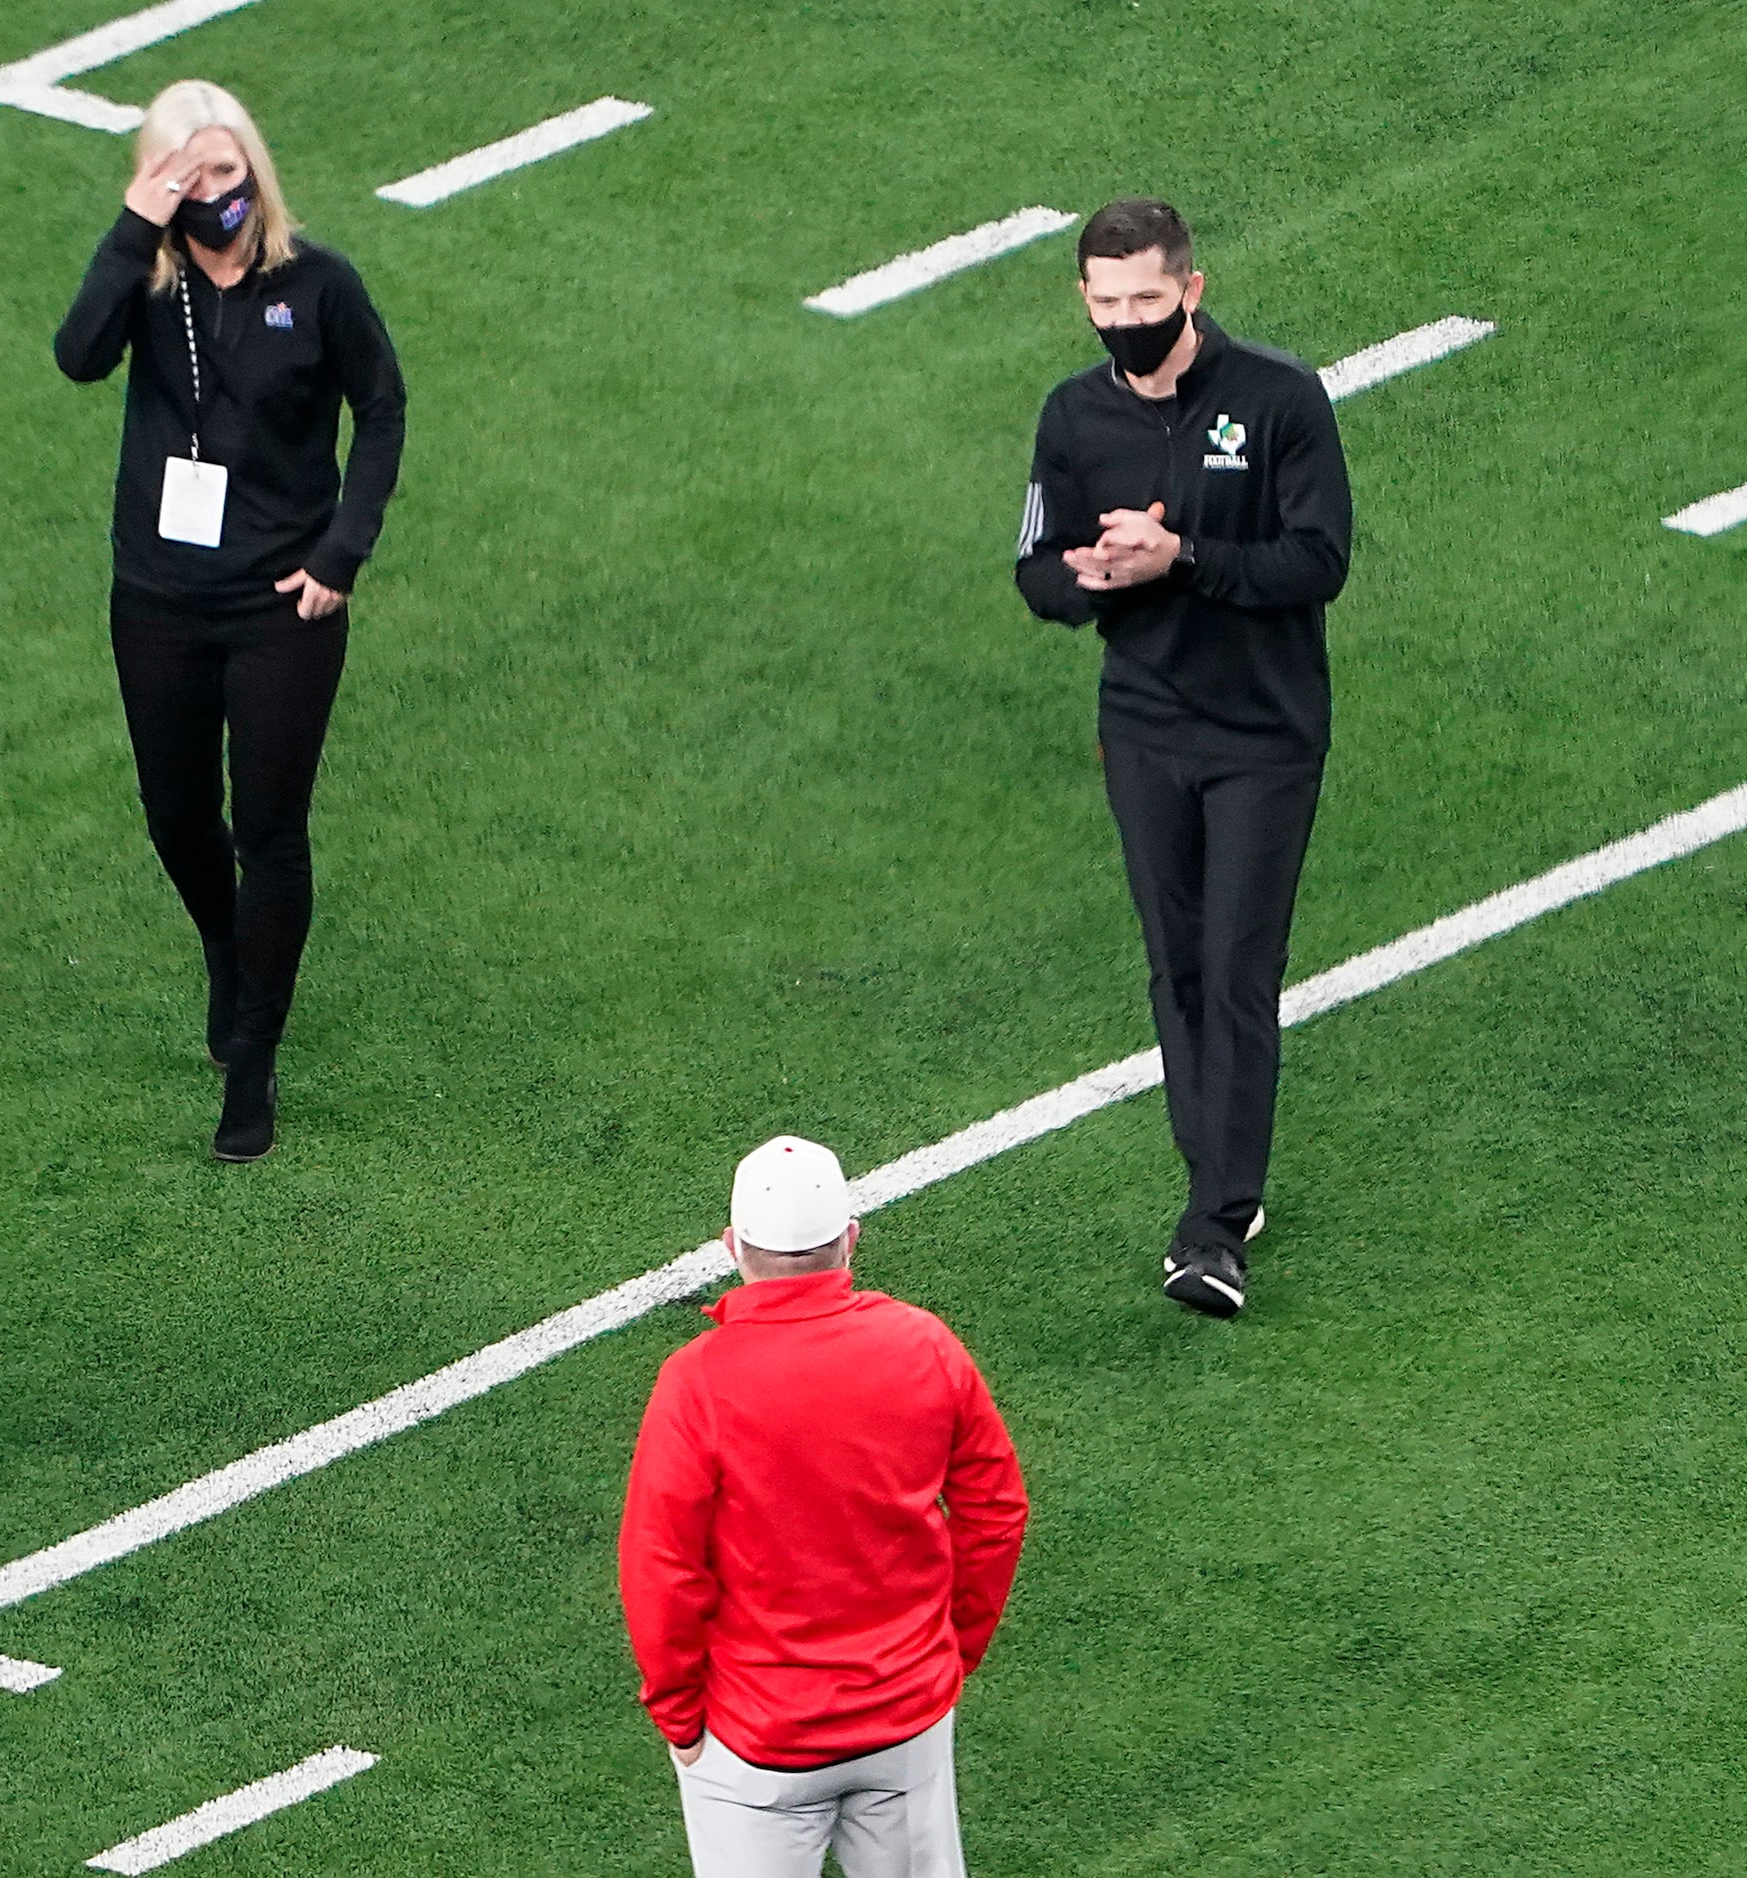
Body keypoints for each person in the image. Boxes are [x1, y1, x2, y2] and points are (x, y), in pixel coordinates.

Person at [54, 78, 408, 1162]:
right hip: (159, 595)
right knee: (174, 813)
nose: (218, 192)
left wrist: (342, 553)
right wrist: (133, 225)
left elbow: (383, 407)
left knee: (270, 830)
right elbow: (78, 354)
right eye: (189, 175)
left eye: (227, 167)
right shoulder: (149, 287)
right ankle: (225, 943)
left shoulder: (319, 282)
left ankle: (251, 1065)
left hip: (281, 605)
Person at [1013, 198, 1353, 1320]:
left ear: (1192, 292)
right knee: (1179, 968)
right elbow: (1035, 569)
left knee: (1239, 967)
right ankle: (1221, 1180)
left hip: (1263, 735)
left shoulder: (1278, 399)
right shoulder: (1073, 418)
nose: (1126, 323)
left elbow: (1317, 560)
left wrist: (1184, 556)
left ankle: (1212, 1228)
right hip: (1146, 727)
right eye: (1106, 305)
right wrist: (1093, 584)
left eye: (1147, 302)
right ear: (1084, 302)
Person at [620, 1136, 1029, 1877]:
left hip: (757, 1739)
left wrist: (678, 1714)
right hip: (904, 1716)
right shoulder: (924, 1345)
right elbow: (994, 1510)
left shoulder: (695, 1384)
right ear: (849, 1239)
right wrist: (948, 1651)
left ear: (731, 1246)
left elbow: (662, 1565)